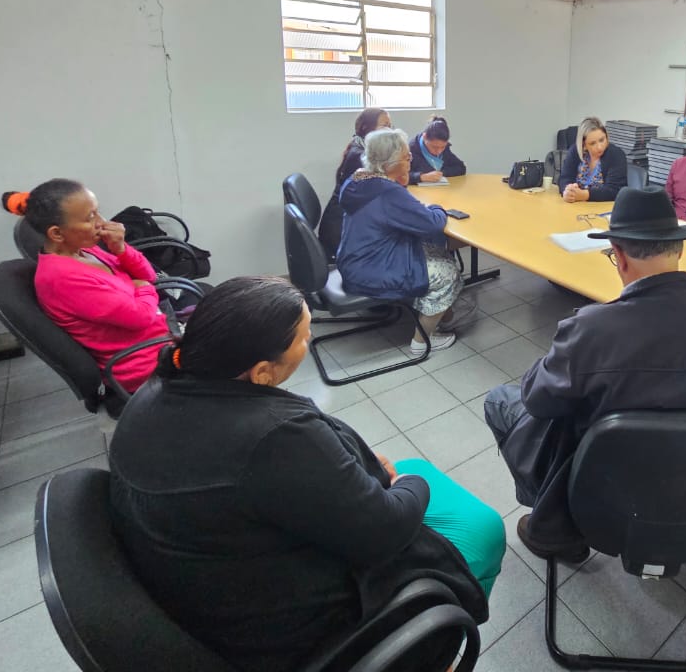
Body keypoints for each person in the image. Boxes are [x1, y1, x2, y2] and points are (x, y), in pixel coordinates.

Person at [109, 276, 503, 672]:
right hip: (290, 632)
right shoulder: (275, 437)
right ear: (262, 371)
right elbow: (385, 530)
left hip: (219, 578)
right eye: (304, 334)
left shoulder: (156, 391)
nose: (311, 337)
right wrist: (409, 484)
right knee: (482, 529)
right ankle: (434, 651)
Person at [484, 186, 686, 561]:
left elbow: (536, 399)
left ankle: (553, 525)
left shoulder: (591, 329)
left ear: (618, 256)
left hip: (602, 491)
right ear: (679, 248)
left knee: (505, 401)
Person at [26, 178, 169, 392]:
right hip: (146, 364)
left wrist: (120, 247)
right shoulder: (62, 278)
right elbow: (140, 316)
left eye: (97, 211)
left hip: (161, 337)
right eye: (90, 217)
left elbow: (147, 275)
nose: (101, 222)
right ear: (57, 233)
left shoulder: (85, 250)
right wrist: (143, 288)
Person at [338, 128, 463, 352]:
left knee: (436, 252)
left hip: (355, 259)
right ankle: (422, 341)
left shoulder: (358, 179)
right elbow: (432, 223)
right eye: (407, 157)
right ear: (391, 162)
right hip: (372, 270)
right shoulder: (387, 192)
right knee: (448, 272)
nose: (410, 160)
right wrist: (438, 209)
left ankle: (440, 314)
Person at [319, 107, 391, 257]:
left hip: (348, 226)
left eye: (390, 126)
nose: (389, 131)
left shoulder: (359, 146)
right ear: (367, 128)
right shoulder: (360, 157)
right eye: (384, 126)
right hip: (342, 235)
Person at [556, 116, 628, 203]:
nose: (599, 147)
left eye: (602, 140)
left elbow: (614, 190)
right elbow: (564, 178)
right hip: (577, 206)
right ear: (584, 145)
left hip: (603, 208)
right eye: (593, 143)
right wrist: (567, 191)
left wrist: (584, 195)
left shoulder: (616, 154)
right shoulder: (575, 151)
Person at [408, 115, 467, 185]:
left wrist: (442, 173)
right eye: (434, 147)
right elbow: (397, 176)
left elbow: (460, 167)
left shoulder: (445, 150)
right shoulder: (411, 149)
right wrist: (421, 177)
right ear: (424, 137)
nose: (439, 151)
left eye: (443, 147)